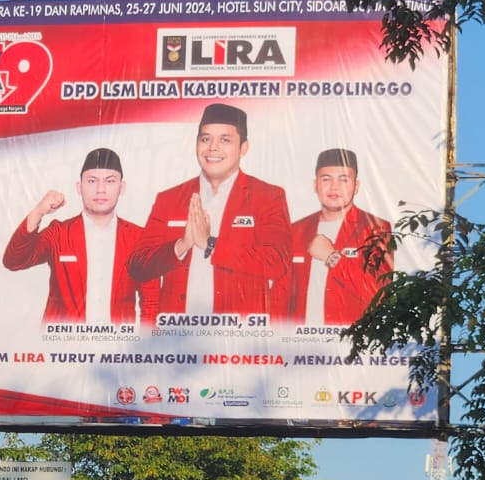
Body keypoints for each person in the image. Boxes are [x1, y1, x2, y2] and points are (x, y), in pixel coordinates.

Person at [128, 103, 291, 318]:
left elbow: (277, 262)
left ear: (243, 148)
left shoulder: (267, 196)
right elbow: (138, 265)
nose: (212, 147)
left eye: (225, 140)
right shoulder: (169, 199)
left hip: (237, 336)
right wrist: (181, 245)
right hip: (177, 335)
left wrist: (210, 244)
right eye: (205, 139)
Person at [2, 147, 157, 325]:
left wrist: (147, 346)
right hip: (62, 348)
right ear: (79, 187)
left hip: (117, 348)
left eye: (110, 181)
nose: (100, 189)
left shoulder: (140, 238)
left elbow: (151, 302)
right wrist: (38, 212)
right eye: (92, 181)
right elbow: (13, 261)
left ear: (121, 187)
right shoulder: (58, 233)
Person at [276, 148, 393, 324]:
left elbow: (378, 293)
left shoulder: (375, 228)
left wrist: (332, 257)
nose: (334, 187)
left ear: (356, 186)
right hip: (298, 341)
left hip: (349, 340)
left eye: (343, 179)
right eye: (326, 179)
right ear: (315, 185)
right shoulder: (296, 230)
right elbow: (280, 295)